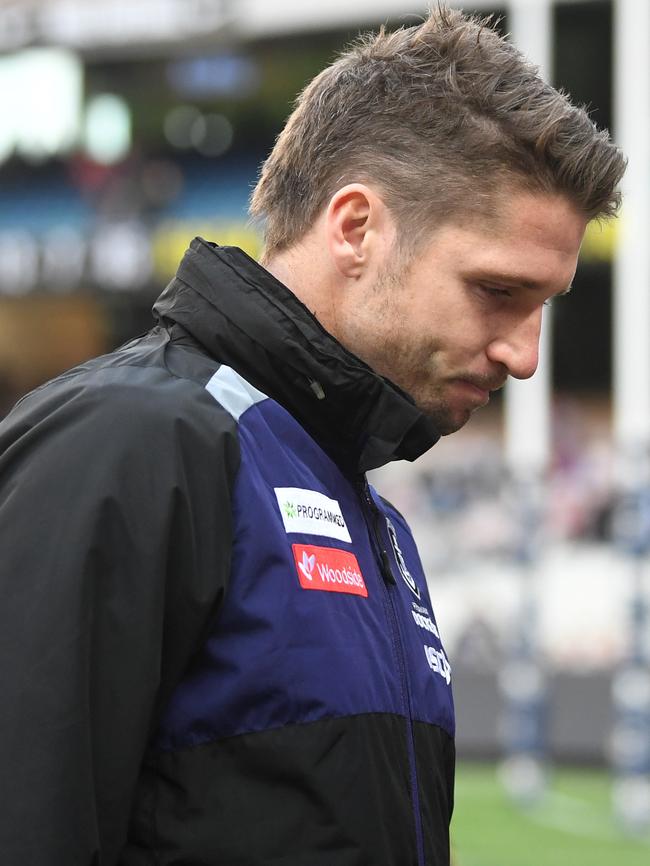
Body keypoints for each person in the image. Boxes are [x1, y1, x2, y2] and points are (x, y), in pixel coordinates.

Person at [0, 7, 624, 865]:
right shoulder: (130, 444)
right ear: (357, 227)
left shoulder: (368, 511)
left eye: (544, 308)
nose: (525, 356)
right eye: (496, 293)